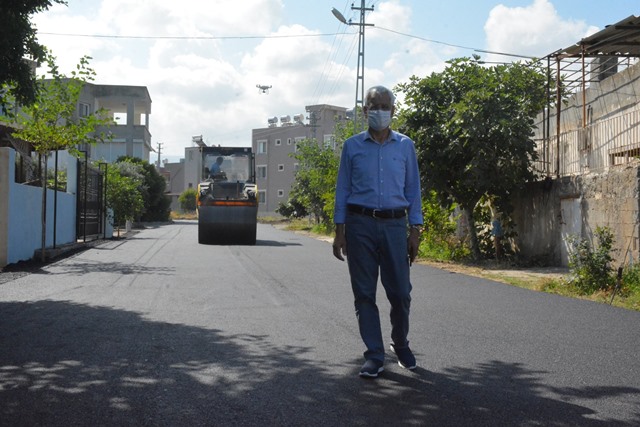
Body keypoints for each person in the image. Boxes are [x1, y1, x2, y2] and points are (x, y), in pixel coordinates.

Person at [333, 85, 423, 378]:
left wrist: (415, 230)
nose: (380, 111)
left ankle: (401, 344)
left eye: (385, 106)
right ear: (365, 111)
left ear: (393, 110)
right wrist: (339, 230)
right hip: (359, 225)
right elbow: (343, 189)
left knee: (400, 293)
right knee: (364, 294)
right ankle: (374, 354)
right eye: (374, 106)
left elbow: (413, 190)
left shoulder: (405, 146)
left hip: (396, 225)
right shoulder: (352, 146)